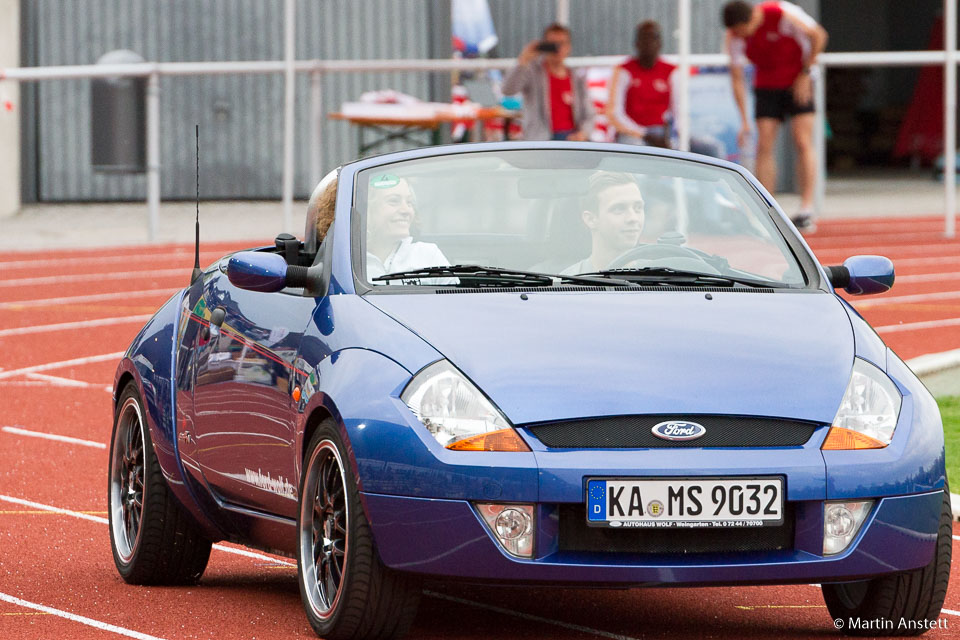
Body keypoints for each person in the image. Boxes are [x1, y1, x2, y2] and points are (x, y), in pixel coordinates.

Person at [722, 1, 828, 231]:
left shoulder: (781, 14)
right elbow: (737, 78)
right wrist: (743, 120)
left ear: (750, 20)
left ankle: (806, 209)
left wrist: (805, 74)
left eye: (742, 30)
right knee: (765, 144)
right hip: (767, 85)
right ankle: (767, 209)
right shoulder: (734, 36)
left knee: (802, 140)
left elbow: (818, 35)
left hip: (798, 80)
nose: (740, 36)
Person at [607, 21, 724, 157]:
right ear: (636, 43)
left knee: (711, 149)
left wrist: (676, 137)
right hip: (633, 134)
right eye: (645, 38)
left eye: (653, 38)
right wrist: (644, 134)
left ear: (660, 43)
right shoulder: (623, 71)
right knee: (638, 150)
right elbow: (614, 114)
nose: (649, 43)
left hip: (663, 133)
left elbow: (679, 112)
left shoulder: (671, 71)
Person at [502, 23, 593, 141]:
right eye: (553, 44)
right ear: (544, 45)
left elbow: (589, 113)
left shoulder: (576, 77)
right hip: (541, 139)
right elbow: (508, 90)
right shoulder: (533, 72)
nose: (557, 49)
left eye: (562, 43)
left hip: (572, 138)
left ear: (569, 47)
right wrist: (523, 60)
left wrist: (583, 133)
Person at [364, 174, 453, 284]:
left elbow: (458, 298)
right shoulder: (348, 261)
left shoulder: (428, 255)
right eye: (394, 201)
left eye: (409, 202)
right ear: (367, 210)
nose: (406, 210)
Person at [562, 172, 645, 274]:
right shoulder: (566, 283)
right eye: (619, 209)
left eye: (638, 208)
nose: (633, 218)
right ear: (590, 219)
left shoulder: (664, 275)